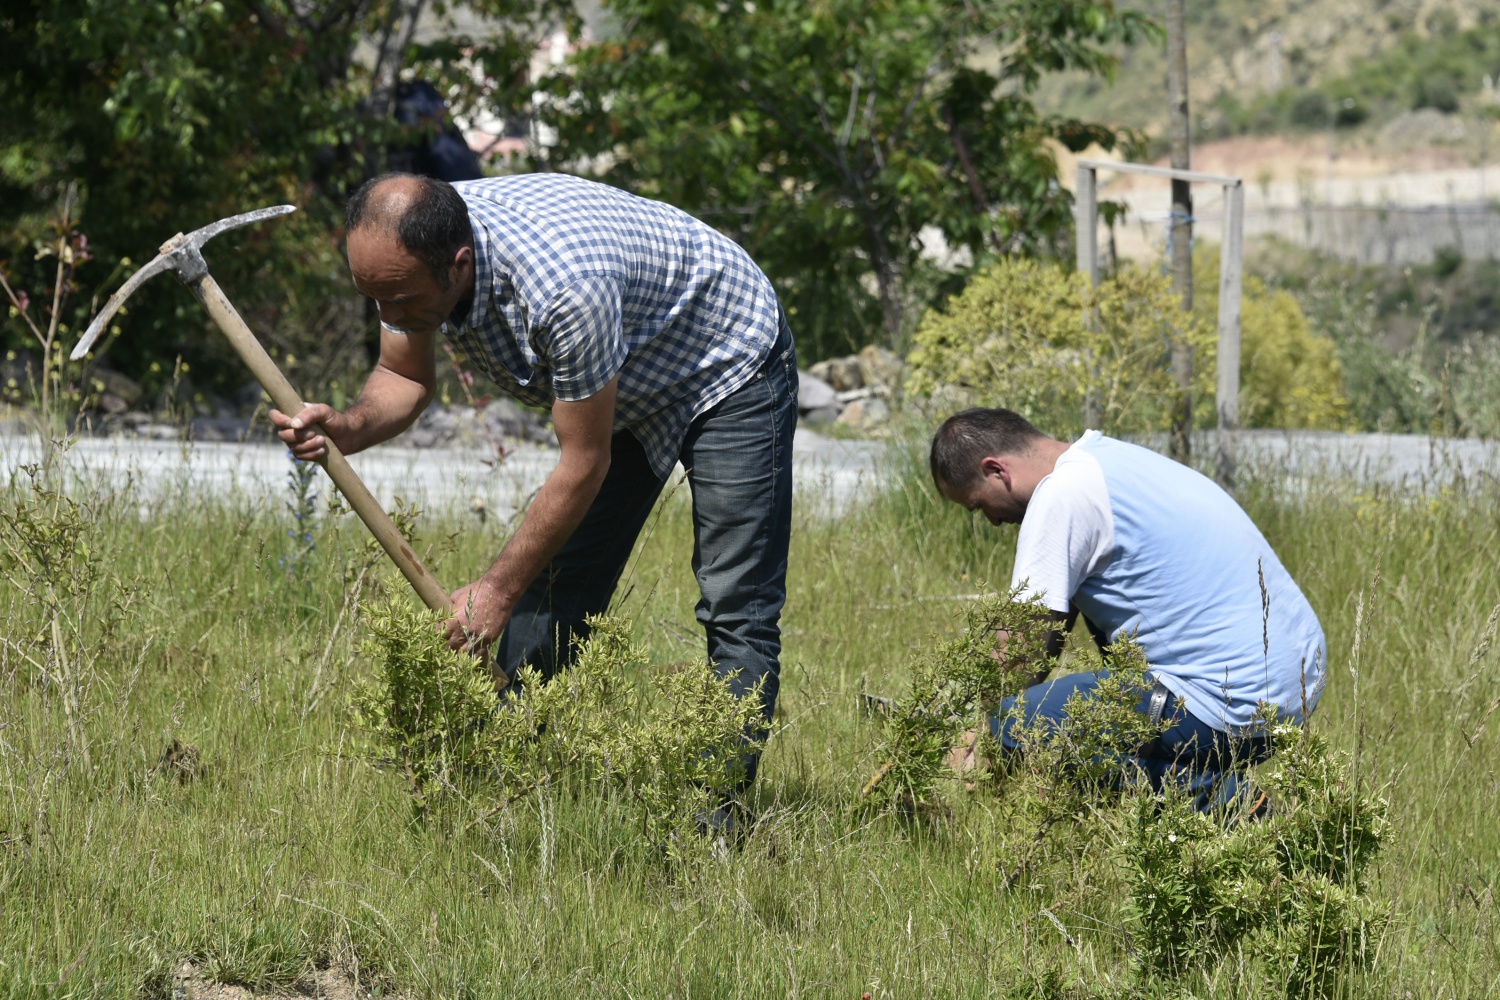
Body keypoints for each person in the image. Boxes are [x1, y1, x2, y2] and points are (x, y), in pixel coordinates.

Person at [271, 172, 797, 798]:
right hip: (624, 378)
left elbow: (584, 462)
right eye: (373, 298)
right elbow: (401, 375)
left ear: (458, 265)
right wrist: (348, 427)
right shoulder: (409, 248)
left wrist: (493, 591)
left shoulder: (563, 291)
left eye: (401, 300)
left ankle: (714, 826)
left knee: (736, 606)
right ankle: (504, 786)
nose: (390, 317)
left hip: (726, 357)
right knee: (555, 585)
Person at [930, 408, 1326, 813]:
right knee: (1071, 693)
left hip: (1231, 701)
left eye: (978, 506)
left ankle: (1239, 813)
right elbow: (1055, 622)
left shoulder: (1062, 494)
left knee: (1012, 724)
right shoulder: (1110, 460)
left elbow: (1023, 643)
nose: (993, 521)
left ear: (997, 470)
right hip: (1294, 692)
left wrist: (977, 730)